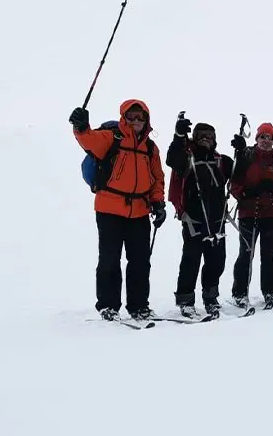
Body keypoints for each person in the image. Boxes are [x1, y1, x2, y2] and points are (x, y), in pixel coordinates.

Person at [69, 100, 166, 321]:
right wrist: (81, 126)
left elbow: (157, 178)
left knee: (140, 261)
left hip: (140, 211)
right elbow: (88, 139)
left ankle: (139, 306)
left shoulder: (150, 148)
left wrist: (158, 203)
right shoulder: (111, 138)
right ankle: (108, 306)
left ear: (146, 120)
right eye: (131, 117)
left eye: (140, 117)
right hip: (109, 209)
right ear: (124, 118)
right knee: (109, 260)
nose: (136, 121)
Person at [166, 116, 234, 319]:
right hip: (194, 221)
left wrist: (241, 150)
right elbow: (172, 158)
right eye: (201, 135)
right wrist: (179, 136)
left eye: (210, 136)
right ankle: (186, 301)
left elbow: (240, 171)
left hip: (217, 221)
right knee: (191, 261)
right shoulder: (187, 159)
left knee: (216, 261)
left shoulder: (221, 161)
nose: (206, 139)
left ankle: (211, 298)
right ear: (194, 138)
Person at [228, 122, 273, 308]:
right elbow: (234, 183)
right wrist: (245, 193)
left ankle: (270, 292)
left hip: (270, 213)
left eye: (269, 137)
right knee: (246, 254)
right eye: (262, 136)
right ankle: (240, 293)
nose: (266, 140)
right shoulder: (245, 156)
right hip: (248, 212)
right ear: (256, 138)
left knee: (270, 256)